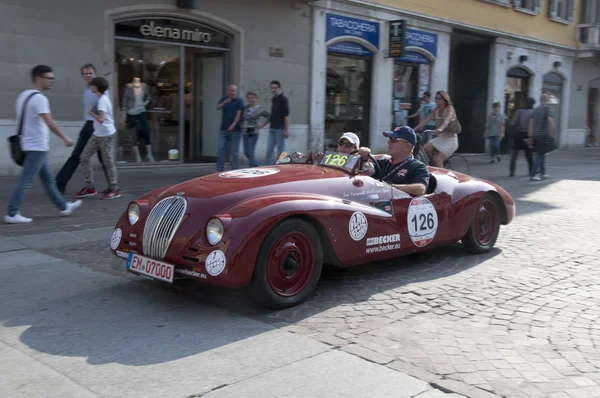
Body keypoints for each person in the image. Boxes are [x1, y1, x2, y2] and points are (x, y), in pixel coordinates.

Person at [5, 65, 82, 224]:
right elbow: (50, 123)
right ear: (38, 79)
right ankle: (12, 213)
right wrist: (65, 138)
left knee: (48, 180)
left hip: (30, 145)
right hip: (36, 147)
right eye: (49, 78)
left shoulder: (23, 96)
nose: (52, 81)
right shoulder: (40, 98)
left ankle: (63, 206)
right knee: (26, 181)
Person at [55, 64, 111, 194]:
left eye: (90, 73)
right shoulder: (87, 88)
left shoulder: (101, 88)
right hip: (88, 124)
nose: (88, 76)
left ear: (95, 73)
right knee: (78, 153)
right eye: (85, 74)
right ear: (82, 76)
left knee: (103, 157)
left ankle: (113, 186)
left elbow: (103, 108)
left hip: (98, 124)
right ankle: (60, 182)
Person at [76, 77, 121, 199]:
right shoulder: (99, 98)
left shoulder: (102, 100)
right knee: (84, 157)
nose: (90, 86)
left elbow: (101, 119)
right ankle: (89, 187)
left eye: (92, 85)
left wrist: (91, 113)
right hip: (98, 133)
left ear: (97, 87)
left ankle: (114, 188)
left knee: (108, 161)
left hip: (106, 134)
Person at [358, 126, 430, 196]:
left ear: (407, 146)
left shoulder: (418, 167)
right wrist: (364, 158)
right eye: (390, 139)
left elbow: (421, 189)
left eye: (394, 139)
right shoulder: (384, 162)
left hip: (396, 205)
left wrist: (391, 187)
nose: (388, 142)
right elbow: (368, 170)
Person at [414, 91, 460, 168]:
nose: (436, 100)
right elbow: (426, 120)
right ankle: (434, 166)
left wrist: (440, 129)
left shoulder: (449, 108)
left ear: (444, 100)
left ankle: (443, 177)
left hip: (451, 140)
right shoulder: (436, 109)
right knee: (426, 148)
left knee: (439, 160)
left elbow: (447, 120)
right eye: (435, 98)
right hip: (441, 138)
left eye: (438, 98)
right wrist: (413, 129)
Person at [216, 84, 244, 171]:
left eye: (234, 91)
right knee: (221, 148)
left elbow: (238, 114)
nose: (232, 92)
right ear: (228, 91)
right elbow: (217, 108)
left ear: (236, 91)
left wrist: (233, 124)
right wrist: (224, 102)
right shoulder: (223, 99)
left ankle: (235, 169)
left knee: (234, 151)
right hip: (223, 129)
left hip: (235, 130)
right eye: (230, 91)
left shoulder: (239, 100)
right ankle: (219, 168)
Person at [528, 93, 555, 181]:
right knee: (539, 155)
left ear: (540, 100)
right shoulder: (547, 108)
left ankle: (543, 173)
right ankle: (533, 174)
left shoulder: (535, 110)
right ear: (547, 100)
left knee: (542, 153)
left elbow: (531, 123)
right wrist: (552, 132)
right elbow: (550, 121)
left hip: (536, 135)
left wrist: (530, 135)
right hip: (544, 135)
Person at [242, 90, 270, 167]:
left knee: (251, 153)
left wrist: (262, 124)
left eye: (253, 98)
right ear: (247, 99)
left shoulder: (259, 108)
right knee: (246, 153)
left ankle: (251, 170)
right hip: (245, 132)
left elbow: (269, 116)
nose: (251, 99)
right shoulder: (245, 108)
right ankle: (257, 166)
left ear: (256, 99)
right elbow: (242, 118)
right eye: (250, 98)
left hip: (253, 132)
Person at [265, 80, 290, 165]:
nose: (273, 90)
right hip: (272, 128)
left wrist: (286, 130)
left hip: (280, 129)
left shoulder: (283, 99)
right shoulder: (274, 99)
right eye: (272, 88)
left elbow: (286, 116)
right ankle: (267, 170)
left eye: (275, 88)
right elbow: (272, 115)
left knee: (281, 151)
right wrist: (264, 124)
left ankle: (283, 168)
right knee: (269, 151)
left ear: (279, 88)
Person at [509, 97, 535, 177]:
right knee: (529, 155)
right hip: (529, 135)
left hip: (519, 135)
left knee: (514, 155)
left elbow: (513, 123)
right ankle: (531, 172)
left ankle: (512, 172)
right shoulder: (534, 112)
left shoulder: (519, 112)